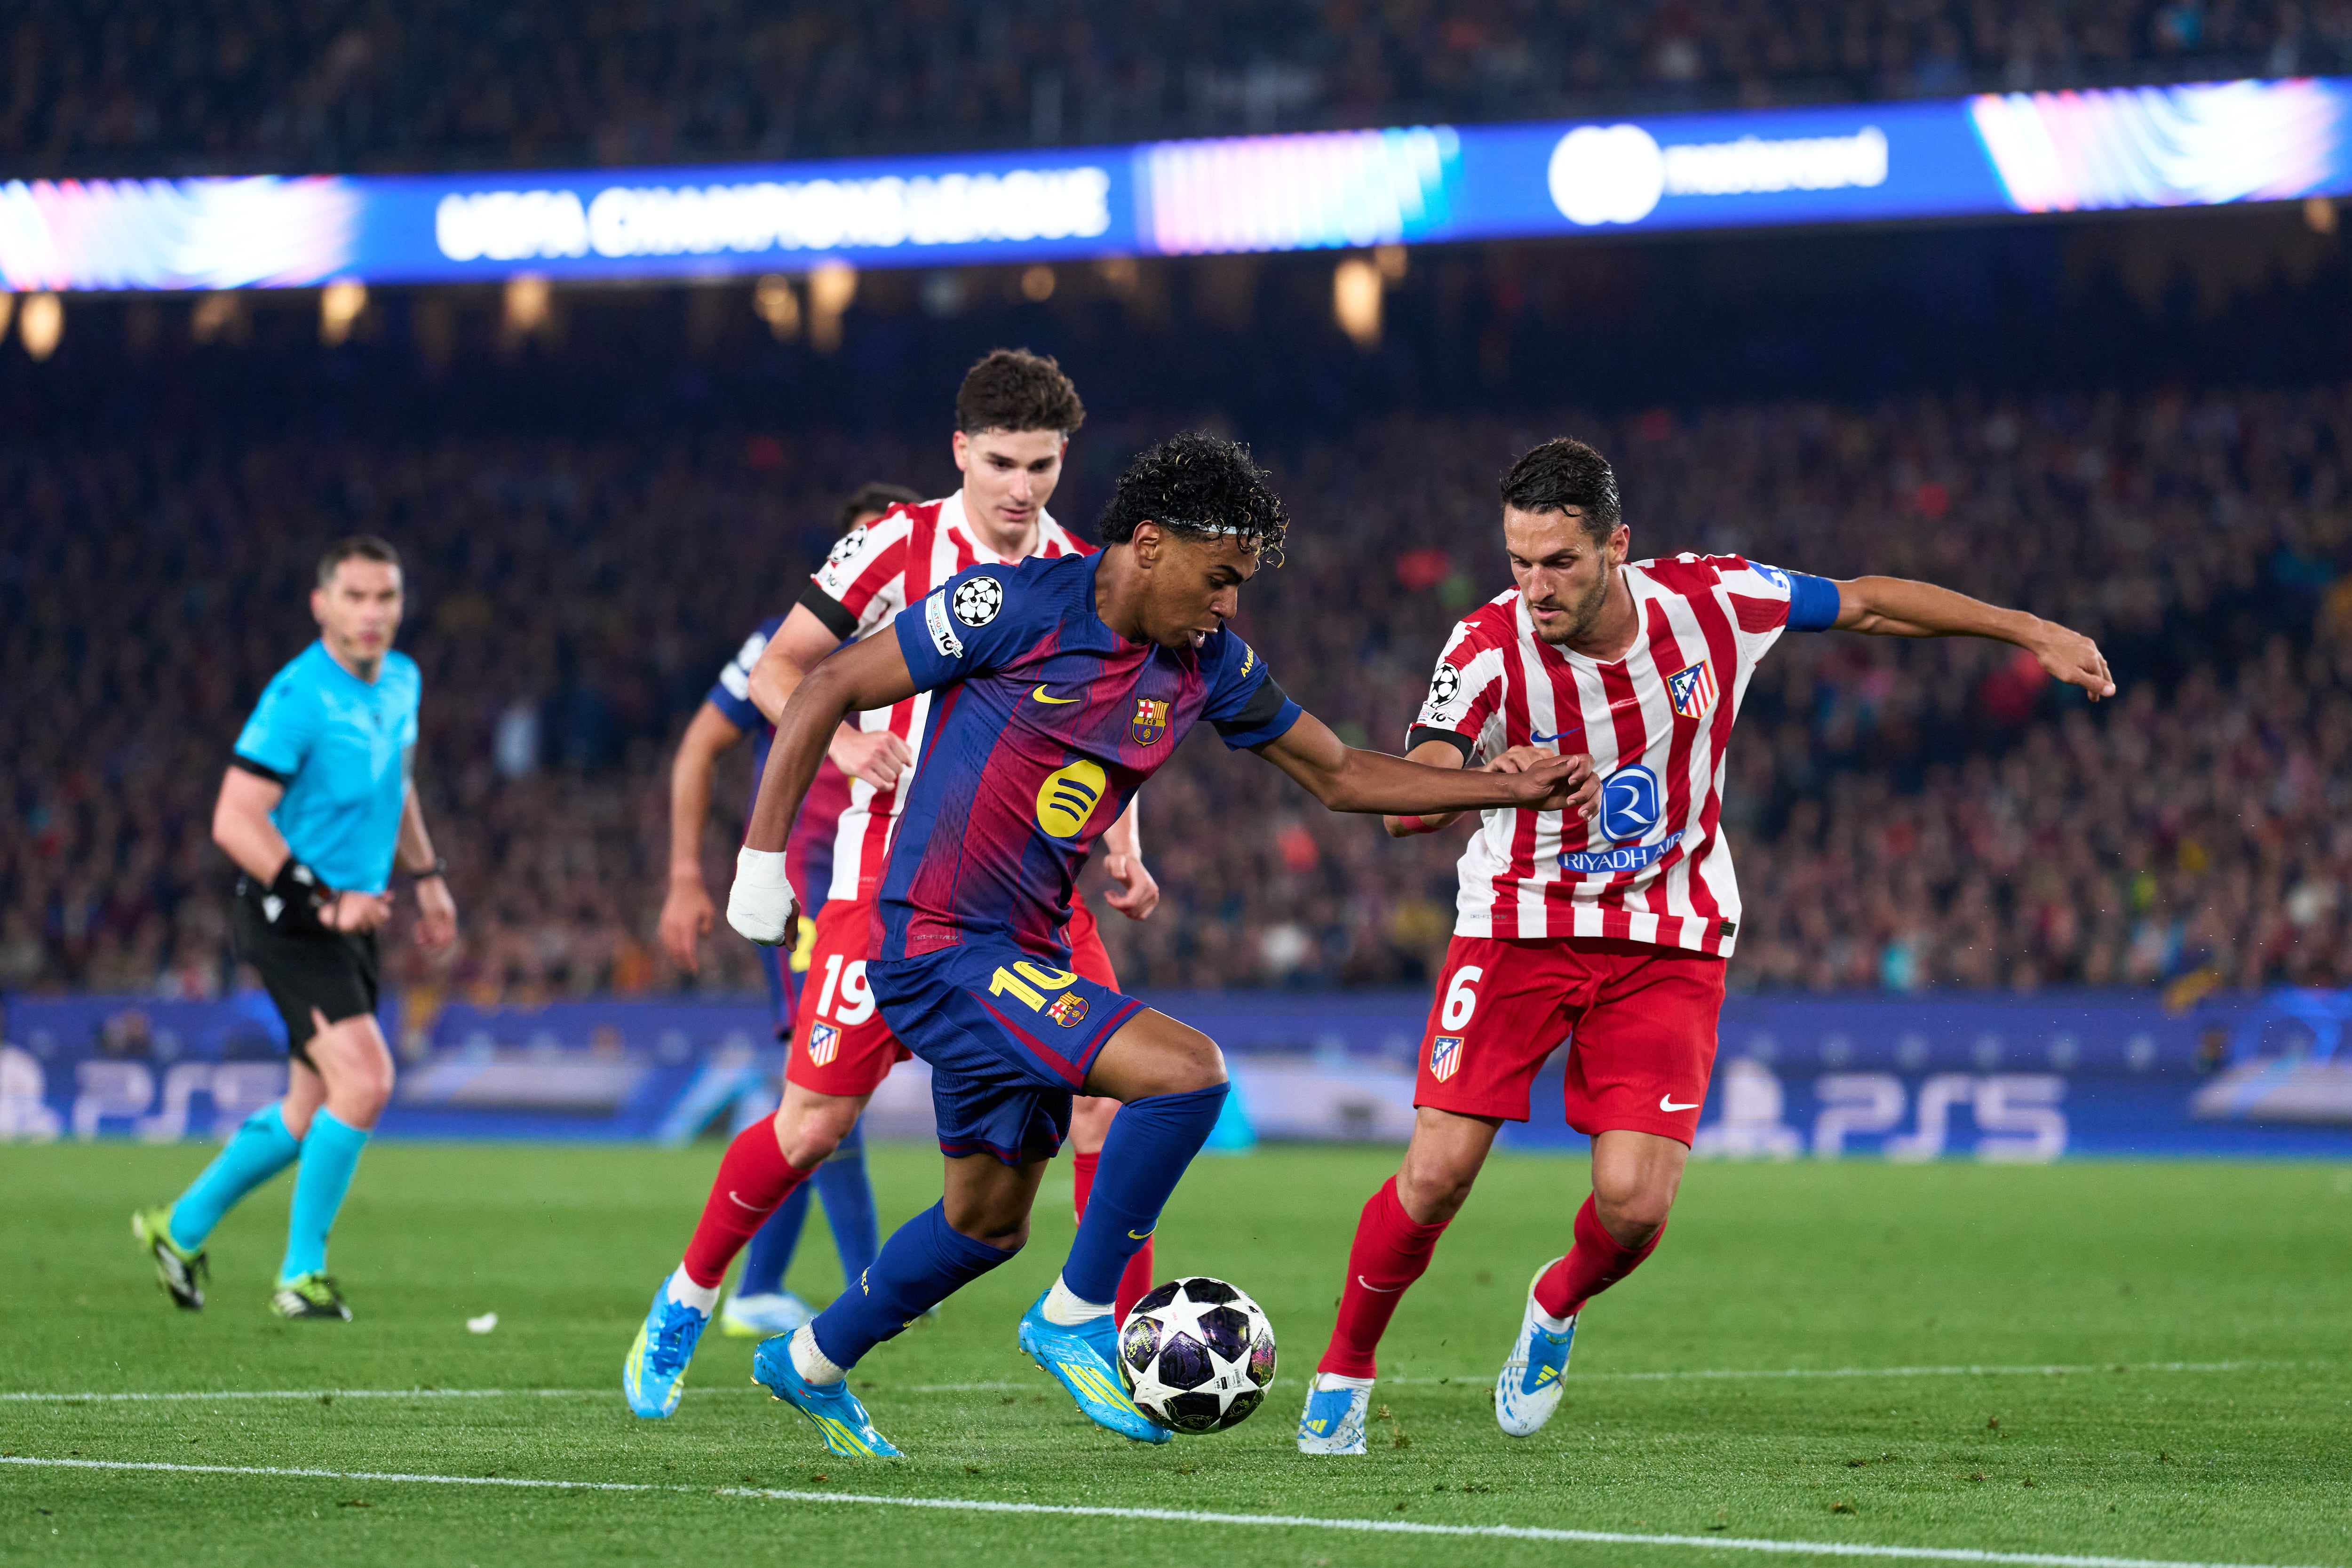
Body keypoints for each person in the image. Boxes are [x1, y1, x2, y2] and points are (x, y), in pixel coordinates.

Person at [720, 430, 1601, 1457]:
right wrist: (759, 865)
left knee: (984, 1223)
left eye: (1240, 584)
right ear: (1149, 544)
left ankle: (811, 1359)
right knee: (1187, 1073)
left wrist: (1500, 785)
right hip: (938, 945)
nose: (1229, 604)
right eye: (1218, 578)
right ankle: (1077, 1312)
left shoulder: (1209, 665)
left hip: (1026, 956)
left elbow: (1342, 774)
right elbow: (825, 683)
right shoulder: (1011, 605)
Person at [1294, 437, 2115, 1455]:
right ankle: (1345, 1369)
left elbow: (1868, 604)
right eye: (1519, 561)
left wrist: (2030, 630)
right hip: (1518, 922)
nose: (1536, 587)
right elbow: (1404, 804)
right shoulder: (1485, 645)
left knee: (1634, 1205)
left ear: (1617, 547)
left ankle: (1555, 1302)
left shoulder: (1714, 599)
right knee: (1436, 1175)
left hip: (1668, 932)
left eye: (1560, 562)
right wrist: (1493, 781)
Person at [625, 350, 1162, 1419]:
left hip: (1031, 893)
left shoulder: (1086, 572)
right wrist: (842, 740)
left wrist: (1125, 842)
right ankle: (687, 1296)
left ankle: (1112, 1336)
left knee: (1114, 1093)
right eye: (1002, 463)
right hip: (884, 887)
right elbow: (780, 668)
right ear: (960, 451)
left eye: (1043, 465)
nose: (1022, 488)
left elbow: (1111, 729)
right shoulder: (894, 543)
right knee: (811, 1127)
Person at [133, 536, 458, 1321]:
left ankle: (179, 1228)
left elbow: (397, 786)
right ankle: (300, 1274)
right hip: (291, 920)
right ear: (322, 605)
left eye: (385, 596)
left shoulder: (403, 679)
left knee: (307, 1109)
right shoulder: (298, 697)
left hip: (352, 921)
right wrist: (323, 900)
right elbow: (234, 818)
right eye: (355, 596)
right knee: (367, 1080)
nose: (372, 612)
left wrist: (428, 876)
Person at [656, 482, 920, 1340]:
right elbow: (699, 746)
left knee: (816, 1088)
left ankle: (764, 1284)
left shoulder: (938, 643)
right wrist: (686, 876)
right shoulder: (785, 644)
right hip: (813, 881)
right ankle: (860, 1280)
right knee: (822, 1077)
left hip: (904, 880)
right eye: (861, 547)